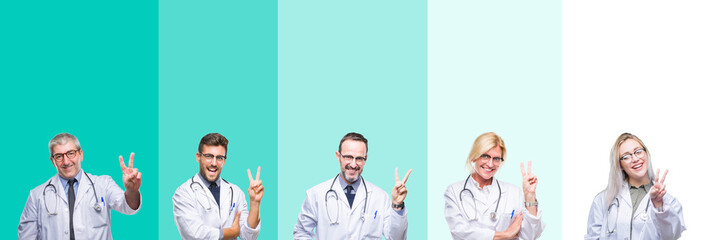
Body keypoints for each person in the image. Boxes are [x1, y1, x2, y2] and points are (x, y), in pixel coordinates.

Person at [18, 133, 142, 239]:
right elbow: (26, 237)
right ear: (52, 161)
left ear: (80, 154)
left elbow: (127, 207)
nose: (66, 161)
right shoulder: (36, 195)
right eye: (59, 156)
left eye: (71, 153)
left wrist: (131, 191)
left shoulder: (103, 184)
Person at [293, 132, 412, 240]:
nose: (353, 164)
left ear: (365, 160)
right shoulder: (316, 194)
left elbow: (396, 238)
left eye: (359, 158)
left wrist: (397, 204)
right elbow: (301, 232)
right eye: (348, 157)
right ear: (338, 156)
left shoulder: (380, 197)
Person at [444, 132, 545, 239]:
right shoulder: (454, 191)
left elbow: (530, 235)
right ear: (474, 157)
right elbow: (459, 231)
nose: (490, 164)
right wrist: (506, 234)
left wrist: (530, 196)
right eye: (485, 156)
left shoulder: (514, 192)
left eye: (496, 159)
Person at [585, 133, 686, 239]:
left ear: (646, 153)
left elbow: (672, 236)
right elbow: (592, 237)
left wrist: (659, 206)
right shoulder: (603, 200)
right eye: (626, 156)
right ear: (620, 165)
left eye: (638, 151)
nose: (635, 159)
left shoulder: (669, 202)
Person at [173, 133, 263, 240]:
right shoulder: (184, 192)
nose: (214, 163)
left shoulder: (236, 192)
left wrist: (255, 203)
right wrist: (231, 232)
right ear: (198, 157)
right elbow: (195, 234)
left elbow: (248, 237)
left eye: (219, 158)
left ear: (224, 160)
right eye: (209, 156)